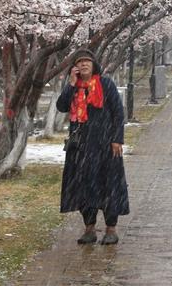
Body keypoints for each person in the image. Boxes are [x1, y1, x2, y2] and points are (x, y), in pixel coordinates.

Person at [56, 49, 129, 245]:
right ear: (75, 67)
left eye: (87, 61)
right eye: (80, 62)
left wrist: (117, 139)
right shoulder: (74, 87)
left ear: (93, 65)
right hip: (81, 147)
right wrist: (70, 84)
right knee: (83, 187)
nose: (84, 65)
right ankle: (89, 229)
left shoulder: (105, 84)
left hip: (105, 145)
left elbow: (118, 113)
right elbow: (62, 106)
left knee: (109, 186)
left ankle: (111, 229)